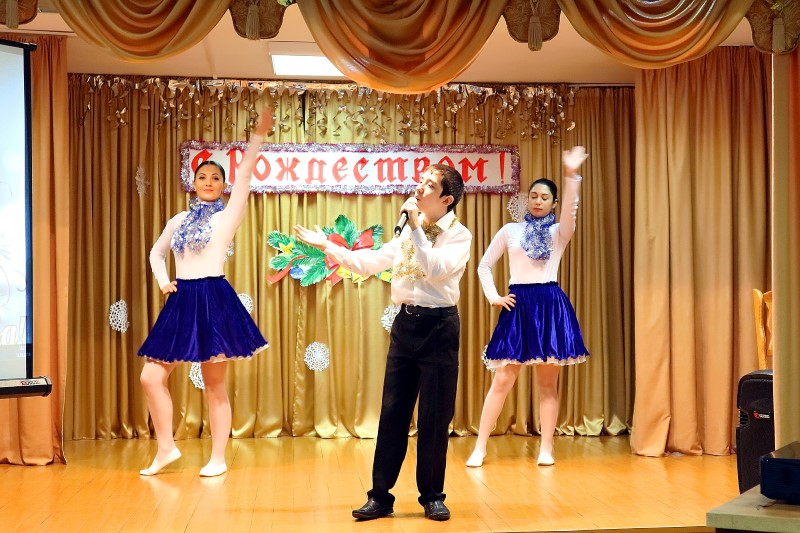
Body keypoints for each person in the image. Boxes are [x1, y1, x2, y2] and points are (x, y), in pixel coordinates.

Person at [294, 164, 471, 522]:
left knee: (435, 417)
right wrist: (326, 245)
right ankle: (380, 497)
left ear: (447, 199)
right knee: (392, 413)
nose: (419, 188)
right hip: (406, 325)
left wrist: (416, 228)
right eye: (421, 181)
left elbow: (435, 268)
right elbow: (368, 264)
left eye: (429, 185)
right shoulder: (408, 232)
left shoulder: (459, 235)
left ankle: (432, 496)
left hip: (440, 327)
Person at [137, 109, 274, 477]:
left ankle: (218, 459)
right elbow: (156, 253)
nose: (209, 181)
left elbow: (245, 174)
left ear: (223, 185)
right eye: (202, 176)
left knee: (214, 385)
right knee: (150, 377)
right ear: (193, 182)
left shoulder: (226, 217)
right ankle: (166, 448)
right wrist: (163, 280)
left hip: (213, 299)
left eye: (216, 177)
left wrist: (257, 137)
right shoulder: (178, 220)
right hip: (182, 300)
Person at [466, 146, 589, 469]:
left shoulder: (558, 232)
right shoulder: (510, 230)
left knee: (548, 384)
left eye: (545, 197)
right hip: (518, 306)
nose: (538, 201)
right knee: (502, 380)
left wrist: (571, 175)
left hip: (549, 306)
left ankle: (546, 449)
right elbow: (483, 265)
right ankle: (480, 447)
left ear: (553, 203)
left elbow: (571, 211)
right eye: (533, 195)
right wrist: (494, 296)